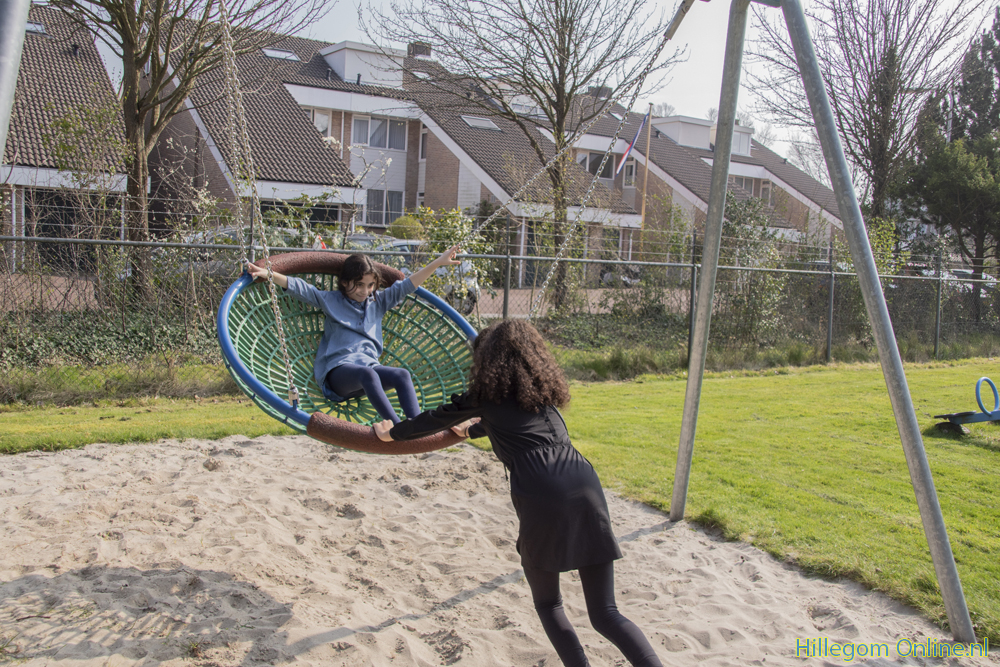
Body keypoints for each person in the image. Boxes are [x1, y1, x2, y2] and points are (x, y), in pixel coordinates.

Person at [374, 319, 663, 667]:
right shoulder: (542, 395)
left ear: (488, 360)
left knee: (549, 604)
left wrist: (392, 434)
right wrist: (474, 430)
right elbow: (522, 427)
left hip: (543, 489)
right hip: (584, 481)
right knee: (606, 613)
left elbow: (432, 420)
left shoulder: (484, 397)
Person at [246, 245, 460, 423]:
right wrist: (269, 274)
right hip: (338, 373)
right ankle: (399, 428)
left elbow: (409, 284)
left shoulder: (378, 302)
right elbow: (301, 288)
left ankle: (418, 427)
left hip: (368, 371)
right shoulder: (331, 300)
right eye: (359, 285)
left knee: (401, 374)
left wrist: (438, 262)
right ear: (345, 282)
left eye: (370, 285)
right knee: (368, 374)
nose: (365, 291)